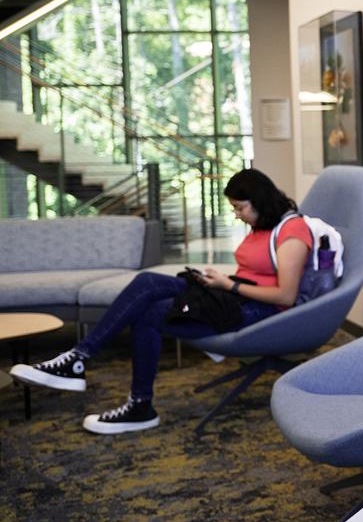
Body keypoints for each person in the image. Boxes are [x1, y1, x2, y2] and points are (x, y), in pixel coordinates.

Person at [10, 169, 313, 434]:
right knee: (147, 283)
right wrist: (218, 282)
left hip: (258, 311)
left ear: (259, 200)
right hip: (231, 294)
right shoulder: (264, 226)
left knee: (148, 313)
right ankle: (83, 361)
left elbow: (284, 295)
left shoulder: (292, 231)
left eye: (239, 207)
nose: (236, 214)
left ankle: (129, 397)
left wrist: (228, 285)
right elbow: (254, 272)